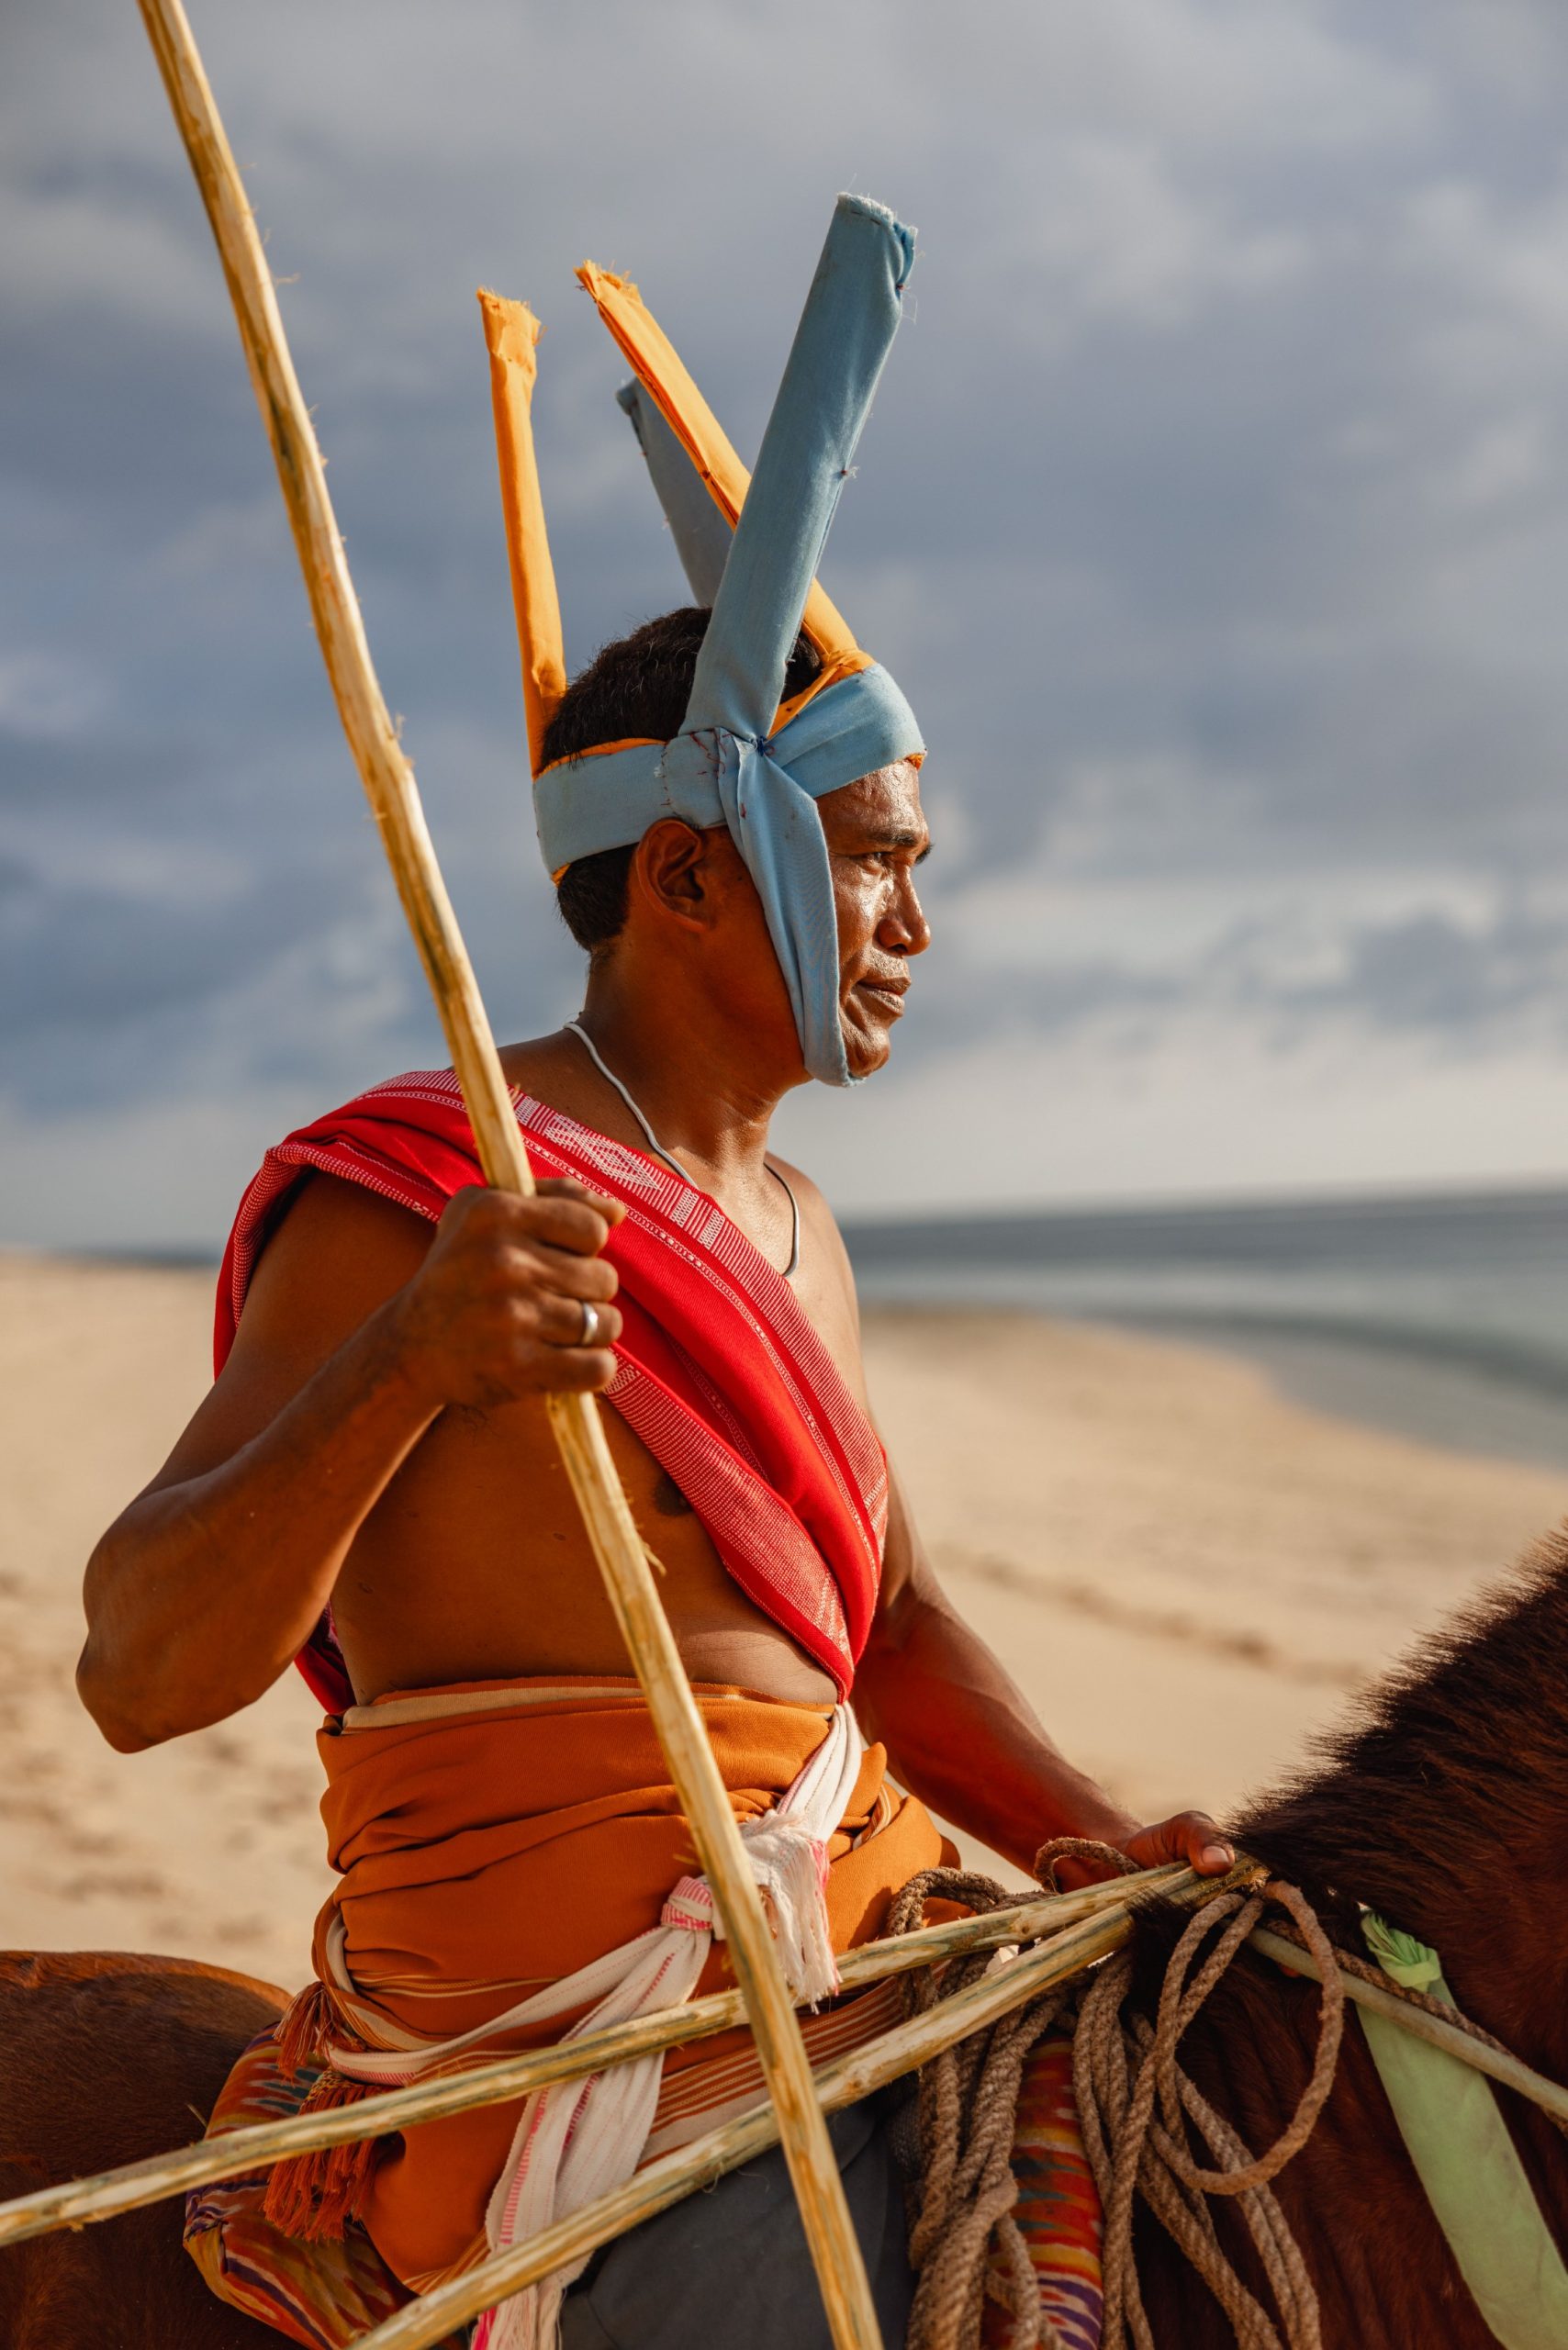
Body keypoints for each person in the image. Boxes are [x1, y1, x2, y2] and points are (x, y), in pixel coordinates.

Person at [77, 199, 1231, 2349]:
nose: (908, 918)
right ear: (695, 870)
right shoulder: (432, 1185)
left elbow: (878, 1616)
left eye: (911, 867)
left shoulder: (801, 1228)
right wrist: (410, 1358)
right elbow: (135, 1666)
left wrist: (1086, 1827)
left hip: (857, 1933)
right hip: (559, 2065)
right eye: (874, 855)